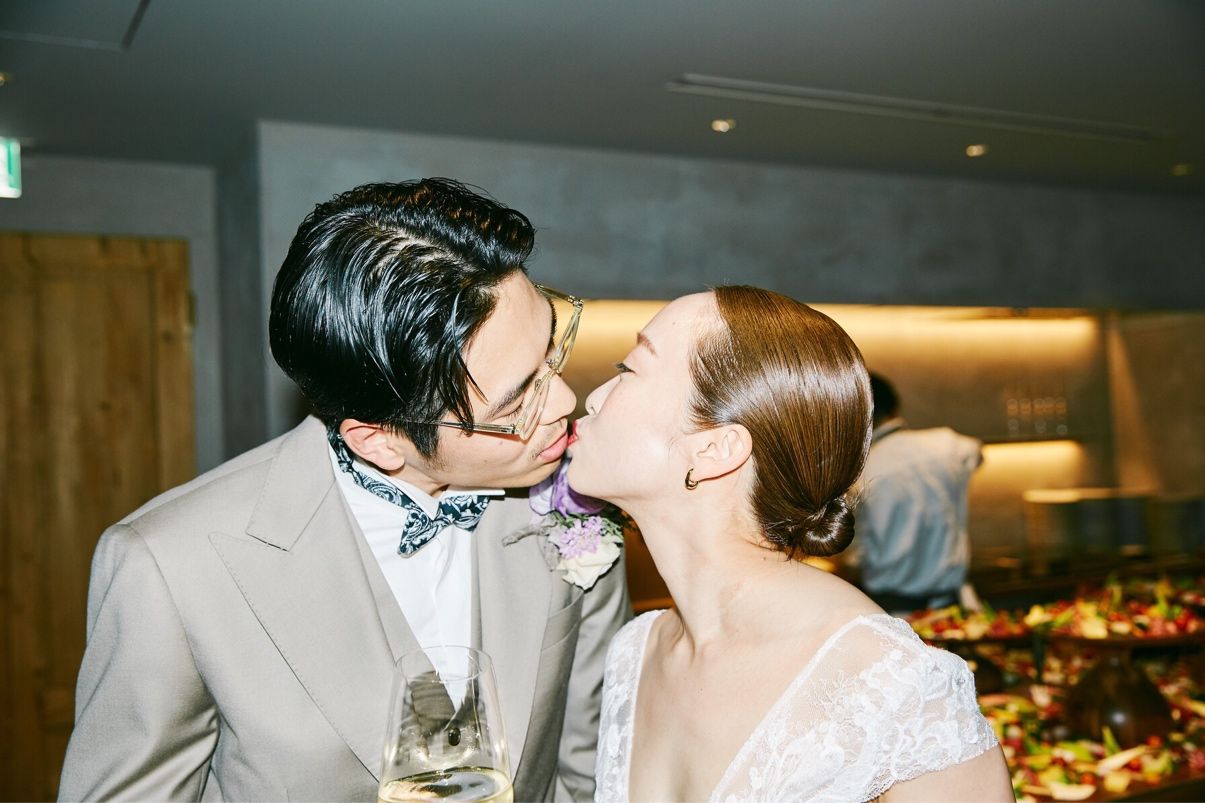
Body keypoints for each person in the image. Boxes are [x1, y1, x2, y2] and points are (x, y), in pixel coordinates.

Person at [59, 179, 630, 802]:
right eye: (517, 403)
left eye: (551, 351)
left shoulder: (574, 507)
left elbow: (592, 770)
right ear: (379, 440)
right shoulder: (170, 566)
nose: (565, 399)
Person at [569, 287, 1012, 802]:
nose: (592, 398)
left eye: (627, 369)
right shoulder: (635, 651)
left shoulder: (894, 690)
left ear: (714, 449)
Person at [846, 373, 984, 613]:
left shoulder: (858, 474)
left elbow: (854, 557)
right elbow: (977, 453)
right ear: (894, 408)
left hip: (895, 613)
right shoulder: (949, 444)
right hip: (955, 611)